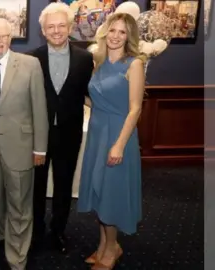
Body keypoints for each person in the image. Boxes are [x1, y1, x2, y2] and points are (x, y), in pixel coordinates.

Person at [0, 18, 49, 270]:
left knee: (19, 205)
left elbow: (40, 108)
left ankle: (17, 257)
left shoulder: (30, 65)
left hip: (21, 148)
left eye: (2, 36)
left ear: (10, 38)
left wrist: (40, 148)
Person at [77, 13, 145, 270]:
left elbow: (135, 109)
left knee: (111, 195)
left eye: (123, 32)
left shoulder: (134, 64)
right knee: (98, 192)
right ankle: (105, 245)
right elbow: (96, 100)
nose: (116, 36)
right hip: (96, 132)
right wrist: (71, 95)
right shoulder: (100, 62)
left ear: (129, 37)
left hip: (118, 134)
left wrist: (118, 144)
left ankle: (111, 251)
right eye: (113, 30)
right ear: (105, 32)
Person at [26, 2, 94, 254]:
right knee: (36, 187)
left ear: (70, 27)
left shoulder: (86, 59)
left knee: (64, 186)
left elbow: (89, 93)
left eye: (61, 25)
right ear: (43, 30)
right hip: (38, 136)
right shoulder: (31, 58)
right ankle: (36, 232)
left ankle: (58, 232)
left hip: (69, 132)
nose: (56, 31)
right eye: (50, 26)